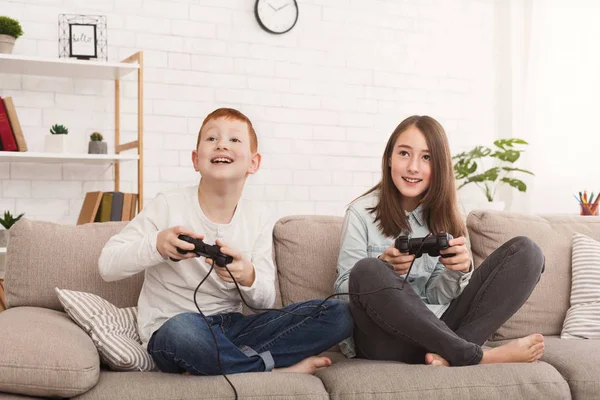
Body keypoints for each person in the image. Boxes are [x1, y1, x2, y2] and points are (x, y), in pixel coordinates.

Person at [99, 107, 353, 376]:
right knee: (182, 331)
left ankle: (225, 363)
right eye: (212, 139)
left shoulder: (258, 216)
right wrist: (157, 245)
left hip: (233, 329)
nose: (222, 144)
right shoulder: (167, 204)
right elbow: (107, 265)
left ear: (253, 163)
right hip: (174, 329)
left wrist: (247, 276)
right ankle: (270, 369)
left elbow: (265, 298)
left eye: (234, 140)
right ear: (196, 160)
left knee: (338, 314)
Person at [334, 115, 545, 367]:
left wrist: (458, 271)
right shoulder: (360, 213)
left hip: (438, 334)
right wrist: (382, 265)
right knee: (368, 269)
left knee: (527, 252)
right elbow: (343, 294)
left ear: (439, 166)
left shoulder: (445, 217)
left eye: (426, 157)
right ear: (389, 158)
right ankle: (474, 355)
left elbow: (436, 296)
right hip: (383, 340)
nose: (413, 167)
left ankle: (448, 355)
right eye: (404, 153)